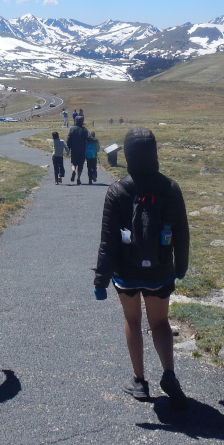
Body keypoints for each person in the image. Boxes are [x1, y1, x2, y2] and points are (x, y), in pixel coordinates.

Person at [93, 127, 190, 409]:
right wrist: (180, 266)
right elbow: (182, 232)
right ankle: (169, 374)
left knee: (132, 321)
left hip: (126, 273)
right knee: (160, 323)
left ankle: (139, 381)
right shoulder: (170, 188)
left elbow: (108, 241)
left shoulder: (118, 190)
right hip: (160, 271)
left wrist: (101, 280)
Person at [66, 115, 89, 185]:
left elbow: (68, 140)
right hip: (82, 149)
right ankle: (78, 178)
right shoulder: (84, 130)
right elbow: (87, 139)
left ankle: (73, 171)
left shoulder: (72, 129)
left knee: (73, 163)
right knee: (80, 165)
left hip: (74, 149)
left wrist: (68, 148)